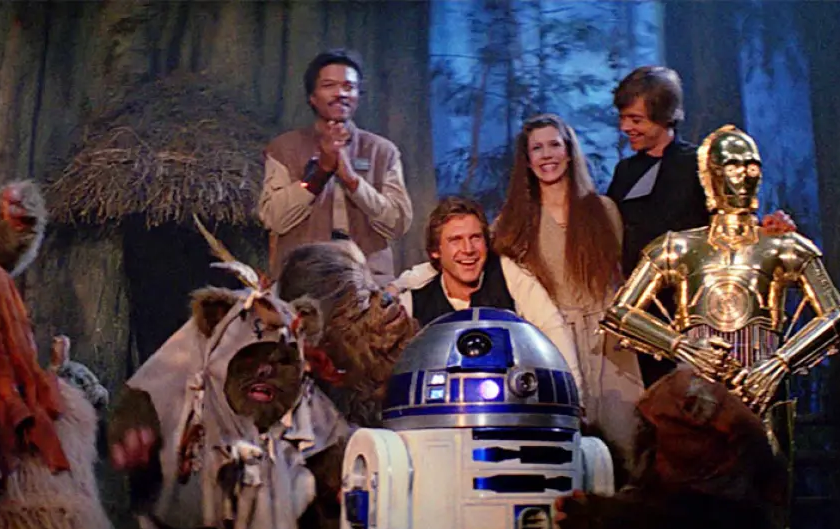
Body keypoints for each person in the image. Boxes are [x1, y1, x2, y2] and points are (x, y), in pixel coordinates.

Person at [606, 66, 795, 387]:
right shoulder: (625, 172)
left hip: (696, 318)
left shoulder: (700, 166)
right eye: (623, 118)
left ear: (664, 117)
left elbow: (737, 227)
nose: (626, 128)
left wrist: (772, 230)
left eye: (636, 120)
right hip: (643, 316)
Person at [490, 113, 642, 470]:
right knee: (565, 451)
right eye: (537, 148)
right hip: (553, 344)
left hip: (609, 344)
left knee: (628, 446)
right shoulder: (512, 224)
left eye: (554, 145)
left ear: (569, 151)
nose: (547, 155)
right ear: (527, 160)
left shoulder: (603, 210)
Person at [394, 196, 583, 392]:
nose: (468, 249)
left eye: (475, 238)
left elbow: (553, 328)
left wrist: (573, 396)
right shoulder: (413, 302)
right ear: (436, 251)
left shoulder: (508, 275)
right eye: (455, 240)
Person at [258, 48, 413, 285]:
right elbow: (273, 218)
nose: (340, 93)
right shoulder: (283, 148)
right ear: (312, 96)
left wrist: (353, 181)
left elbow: (398, 223)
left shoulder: (382, 151)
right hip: (303, 283)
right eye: (329, 85)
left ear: (358, 96)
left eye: (349, 87)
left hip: (369, 282)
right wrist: (318, 175)